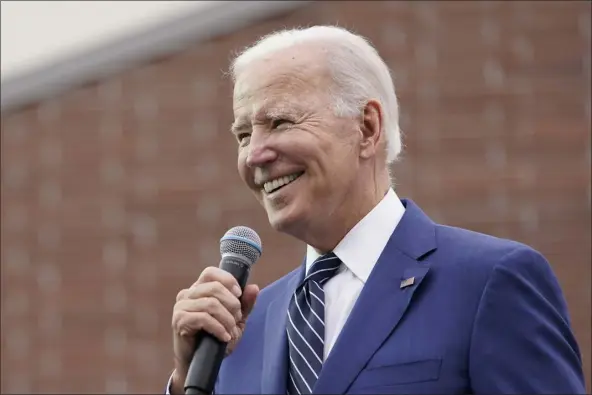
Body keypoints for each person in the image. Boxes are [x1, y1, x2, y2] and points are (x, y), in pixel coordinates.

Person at [166, 25, 586, 394]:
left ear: (367, 128)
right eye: (242, 134)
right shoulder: (239, 331)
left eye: (280, 122)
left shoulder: (488, 282)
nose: (254, 154)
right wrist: (188, 379)